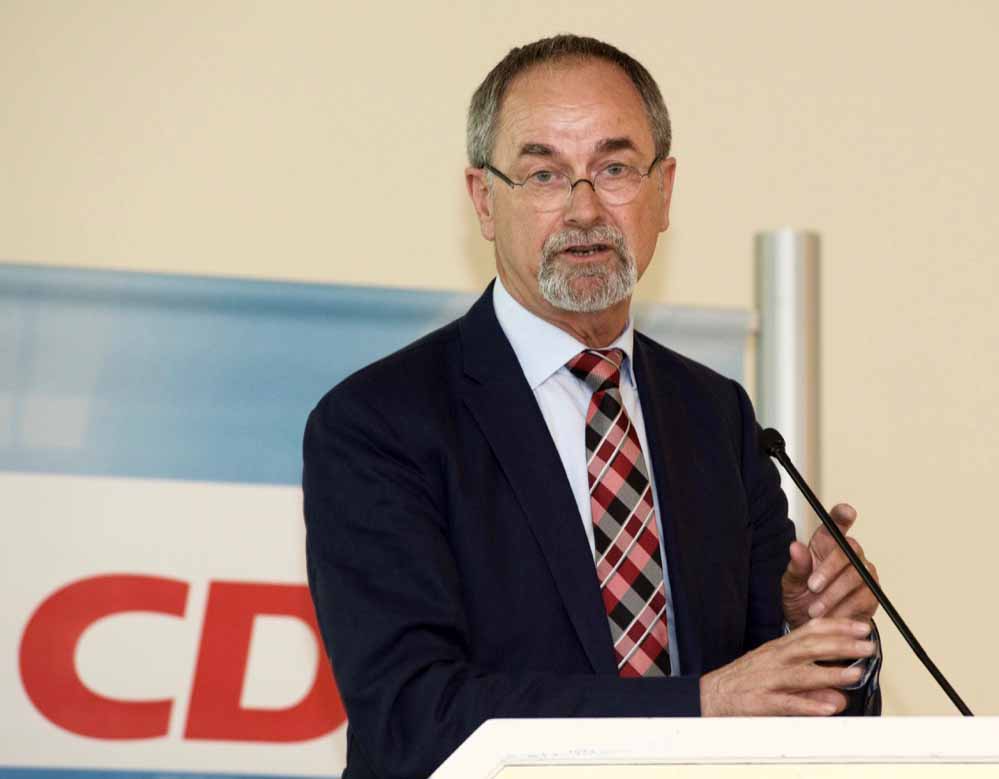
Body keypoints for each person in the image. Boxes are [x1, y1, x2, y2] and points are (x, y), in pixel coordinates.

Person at [303, 34, 881, 779]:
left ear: (663, 191)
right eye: (543, 173)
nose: (583, 209)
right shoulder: (379, 423)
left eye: (614, 168)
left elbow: (770, 708)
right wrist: (698, 705)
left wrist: (813, 633)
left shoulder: (717, 417)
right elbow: (410, 715)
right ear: (484, 200)